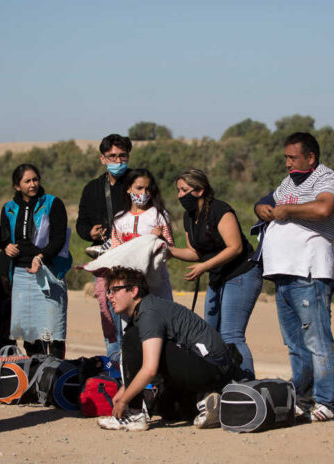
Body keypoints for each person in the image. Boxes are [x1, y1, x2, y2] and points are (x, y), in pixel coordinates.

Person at [255, 132, 334, 421]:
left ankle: (326, 401)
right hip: (283, 272)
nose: (288, 163)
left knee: (317, 340)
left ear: (311, 157)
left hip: (309, 272)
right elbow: (269, 200)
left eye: (293, 157)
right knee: (295, 344)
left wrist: (287, 210)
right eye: (286, 158)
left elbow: (324, 207)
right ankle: (302, 398)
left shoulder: (327, 178)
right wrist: (263, 208)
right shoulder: (290, 181)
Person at [96, 267, 237, 431]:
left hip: (211, 367)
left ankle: (134, 414)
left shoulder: (148, 313)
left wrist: (125, 400)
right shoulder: (145, 310)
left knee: (133, 338)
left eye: (115, 290)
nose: (110, 296)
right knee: (166, 409)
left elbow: (149, 369)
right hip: (206, 369)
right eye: (108, 291)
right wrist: (126, 388)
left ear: (134, 291)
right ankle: (209, 402)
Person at [169, 168, 262, 380]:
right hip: (218, 277)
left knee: (232, 335)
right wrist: (169, 250)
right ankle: (220, 383)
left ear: (200, 190)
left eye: (184, 190)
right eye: (178, 190)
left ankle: (247, 386)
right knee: (209, 335)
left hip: (242, 274)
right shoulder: (188, 217)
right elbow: (194, 252)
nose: (180, 195)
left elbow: (235, 247)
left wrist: (204, 266)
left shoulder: (220, 210)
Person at [0, 164, 70, 358]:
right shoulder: (9, 208)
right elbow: (3, 236)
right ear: (17, 186)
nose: (33, 184)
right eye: (27, 181)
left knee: (53, 331)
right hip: (21, 274)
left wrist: (40, 257)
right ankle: (35, 376)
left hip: (49, 271)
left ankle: (54, 376)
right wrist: (6, 245)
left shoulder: (53, 203)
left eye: (35, 179)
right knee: (30, 333)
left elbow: (58, 238)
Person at [76, 134, 133, 361]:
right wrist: (90, 232)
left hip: (132, 260)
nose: (117, 161)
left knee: (132, 313)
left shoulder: (138, 183)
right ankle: (115, 365)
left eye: (122, 156)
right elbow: (81, 223)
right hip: (104, 260)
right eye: (112, 156)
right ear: (102, 159)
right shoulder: (92, 189)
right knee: (108, 310)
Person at [110, 168, 174, 300]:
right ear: (128, 189)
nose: (143, 193)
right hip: (128, 285)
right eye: (139, 188)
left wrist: (161, 239)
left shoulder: (159, 215)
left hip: (156, 284)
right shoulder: (119, 219)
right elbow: (115, 252)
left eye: (148, 189)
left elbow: (170, 251)